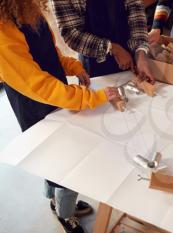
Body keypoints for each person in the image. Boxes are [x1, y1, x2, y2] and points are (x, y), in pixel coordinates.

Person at [0, 1, 120, 232]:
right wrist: (90, 98)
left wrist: (72, 66)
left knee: (53, 157)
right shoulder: (3, 33)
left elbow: (48, 53)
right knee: (64, 159)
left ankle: (56, 200)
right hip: (35, 105)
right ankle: (65, 214)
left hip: (55, 96)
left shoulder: (26, 9)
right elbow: (39, 86)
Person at [50, 0, 155, 82]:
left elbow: (135, 8)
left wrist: (140, 53)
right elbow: (71, 34)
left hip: (128, 53)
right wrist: (112, 48)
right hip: (95, 59)